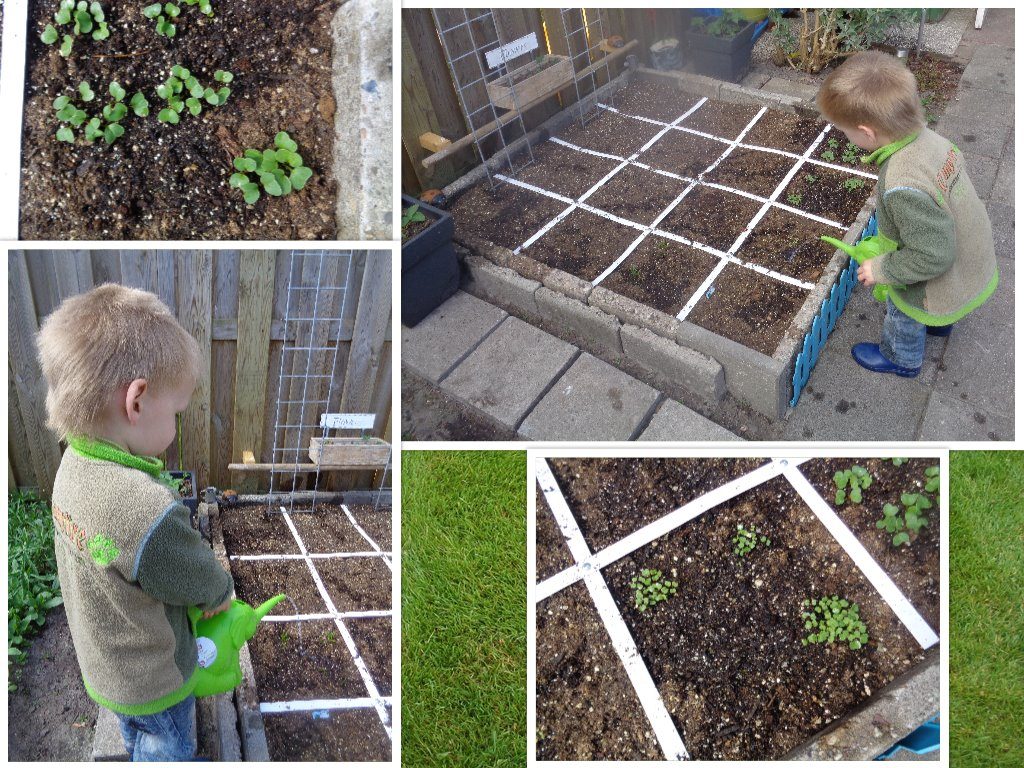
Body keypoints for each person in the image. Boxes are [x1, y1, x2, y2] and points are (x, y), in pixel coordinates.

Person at [37, 283, 234, 761]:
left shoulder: (73, 468)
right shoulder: (143, 510)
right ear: (138, 400)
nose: (177, 426)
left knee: (135, 734)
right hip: (153, 679)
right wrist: (221, 591)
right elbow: (196, 575)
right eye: (177, 413)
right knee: (166, 745)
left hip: (105, 670)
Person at [817, 50, 998, 377]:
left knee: (904, 312)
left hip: (945, 265)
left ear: (867, 132)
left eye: (844, 131)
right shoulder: (930, 139)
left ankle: (901, 359)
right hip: (971, 254)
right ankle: (941, 323)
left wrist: (883, 268)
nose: (845, 136)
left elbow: (932, 256)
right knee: (939, 300)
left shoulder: (903, 183)